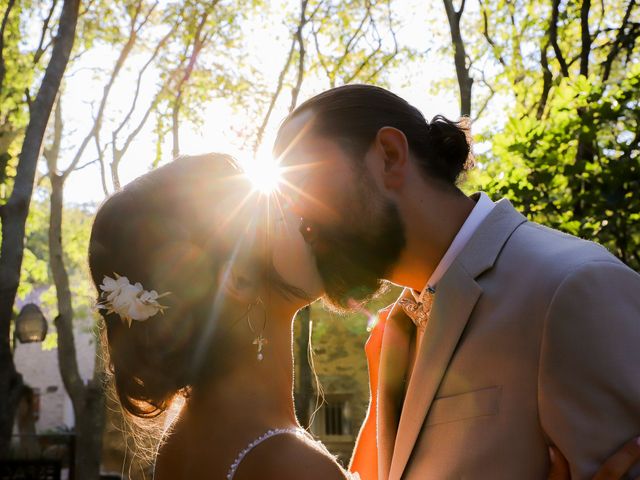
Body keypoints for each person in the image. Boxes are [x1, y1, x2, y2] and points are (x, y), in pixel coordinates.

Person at [88, 152, 636, 480]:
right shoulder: (288, 467)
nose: (309, 218)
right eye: (281, 212)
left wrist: (389, 393)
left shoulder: (184, 443)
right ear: (235, 278)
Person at [273, 84, 640, 480]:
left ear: (390, 156)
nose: (299, 218)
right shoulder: (394, 333)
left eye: (306, 181)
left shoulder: (572, 287)